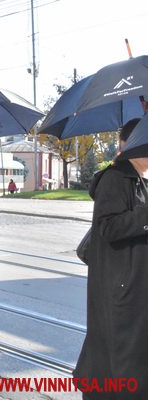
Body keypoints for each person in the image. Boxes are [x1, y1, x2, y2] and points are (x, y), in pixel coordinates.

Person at [74, 118, 147, 398]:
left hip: (136, 287)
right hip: (122, 289)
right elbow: (108, 227)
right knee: (117, 360)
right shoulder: (115, 179)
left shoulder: (141, 179)